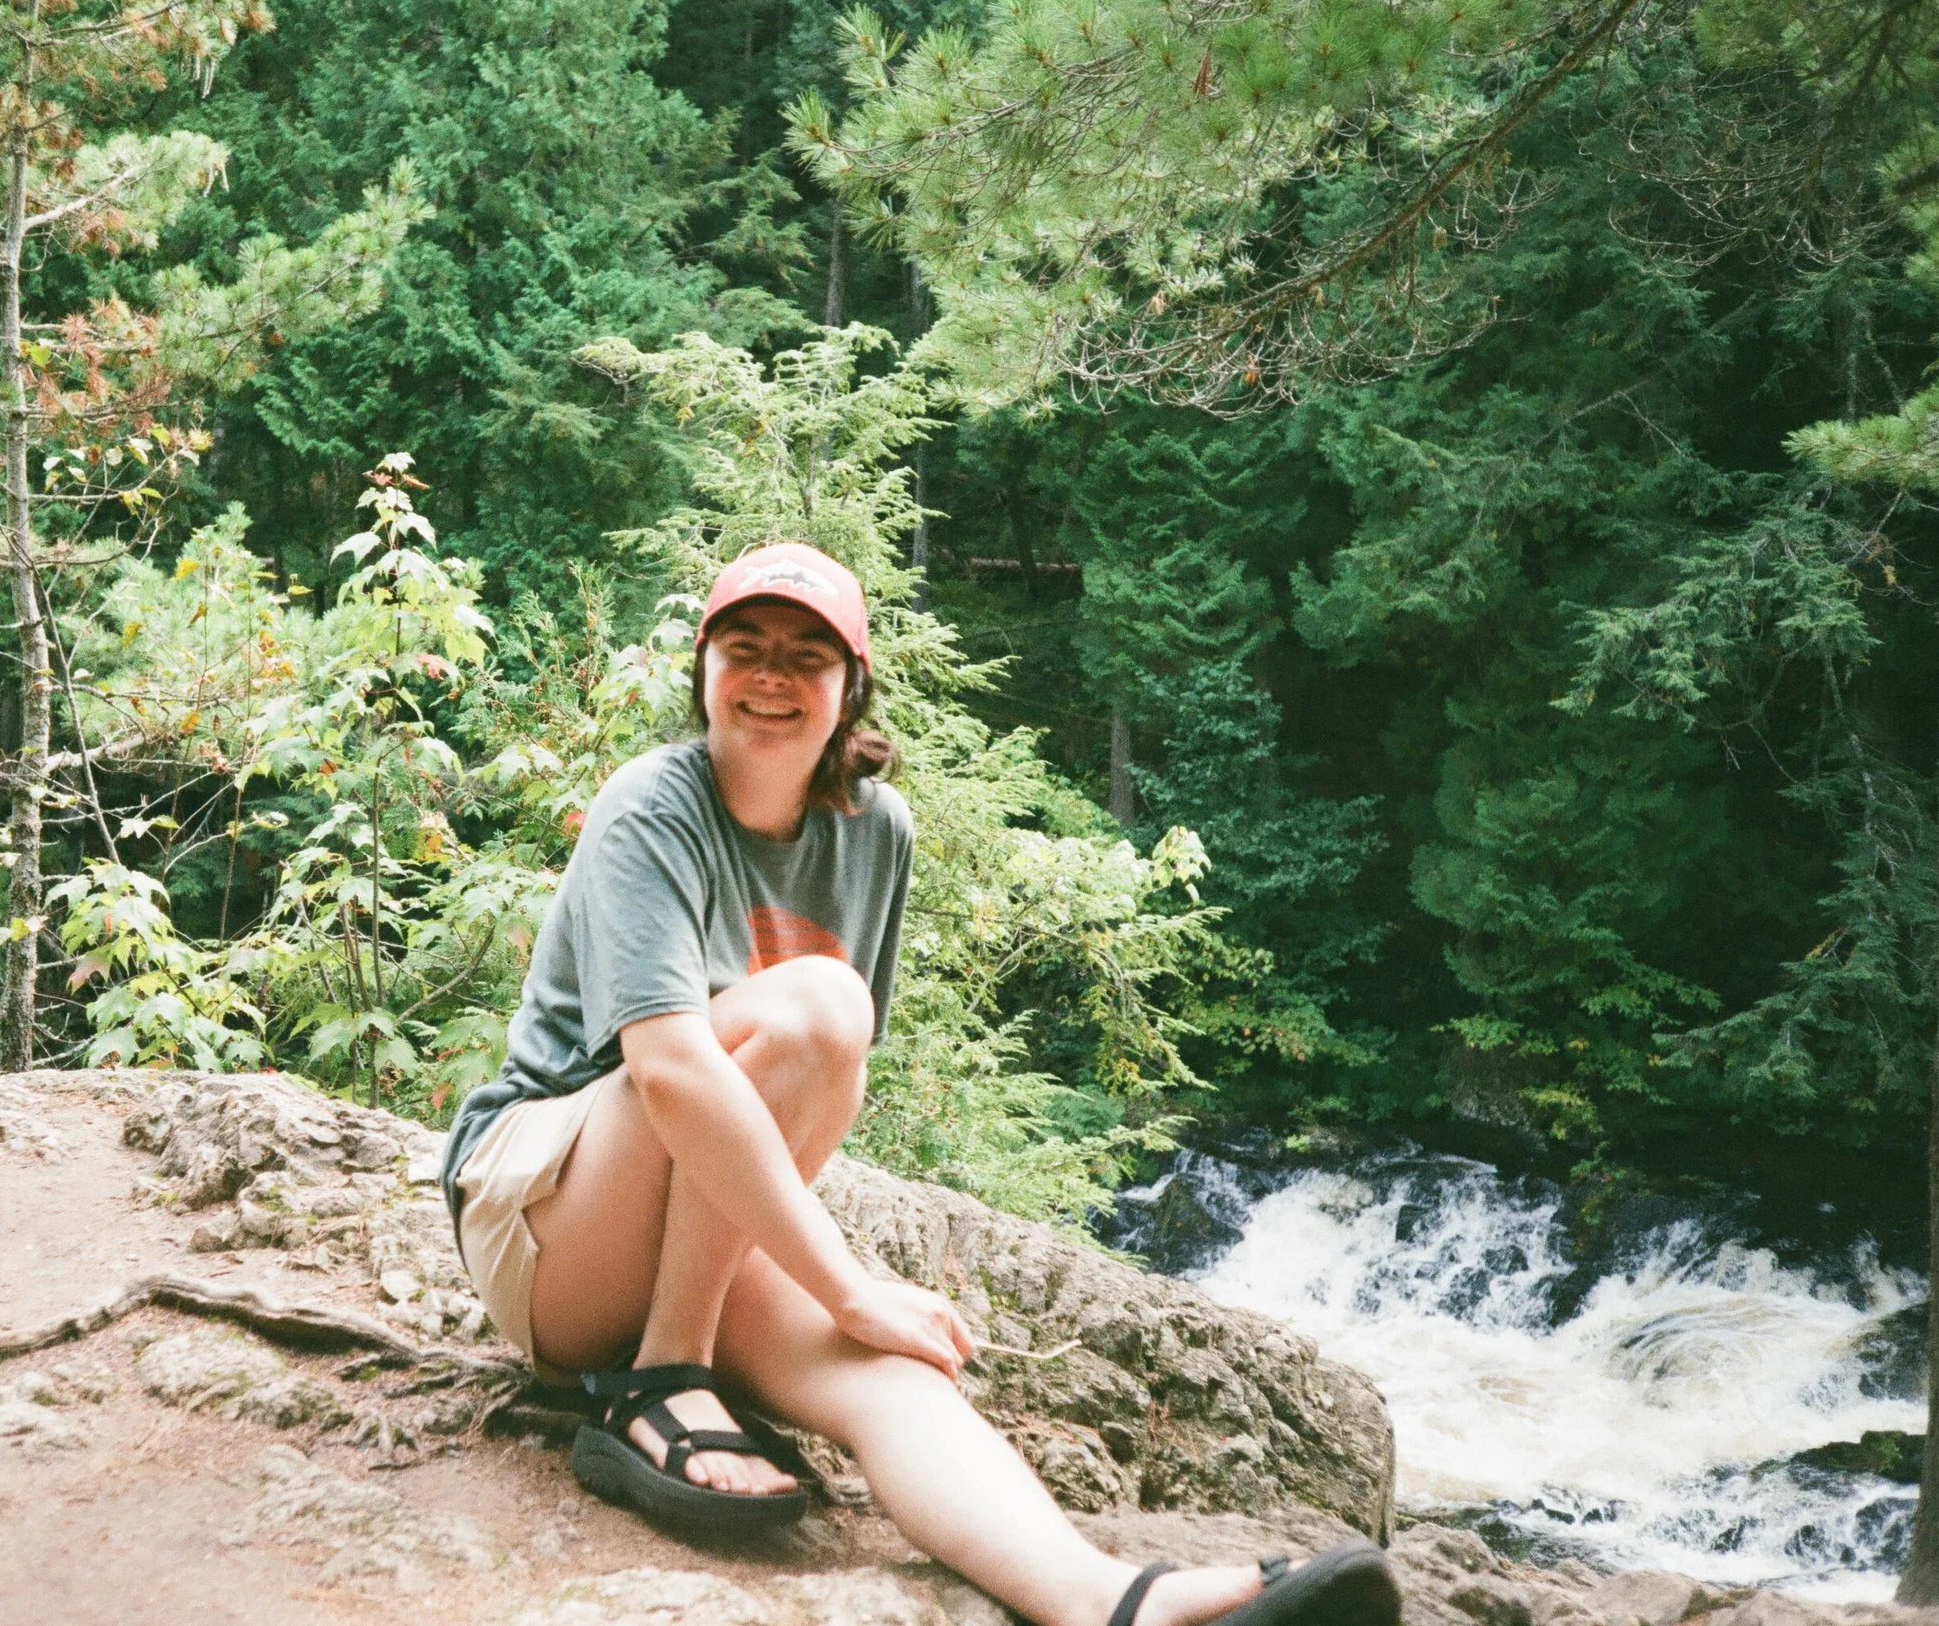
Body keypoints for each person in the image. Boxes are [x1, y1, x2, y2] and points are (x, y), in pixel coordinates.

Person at [440, 542, 1400, 1626]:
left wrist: (843, 1305)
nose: (770, 675)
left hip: (686, 1233)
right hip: (549, 1220)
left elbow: (806, 1088)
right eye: (743, 647)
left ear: (852, 687)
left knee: (891, 1374)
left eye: (807, 656)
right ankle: (660, 1377)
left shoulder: (873, 831)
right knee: (819, 1011)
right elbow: (671, 1065)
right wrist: (844, 1279)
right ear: (701, 668)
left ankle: (1113, 1604)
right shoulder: (652, 805)